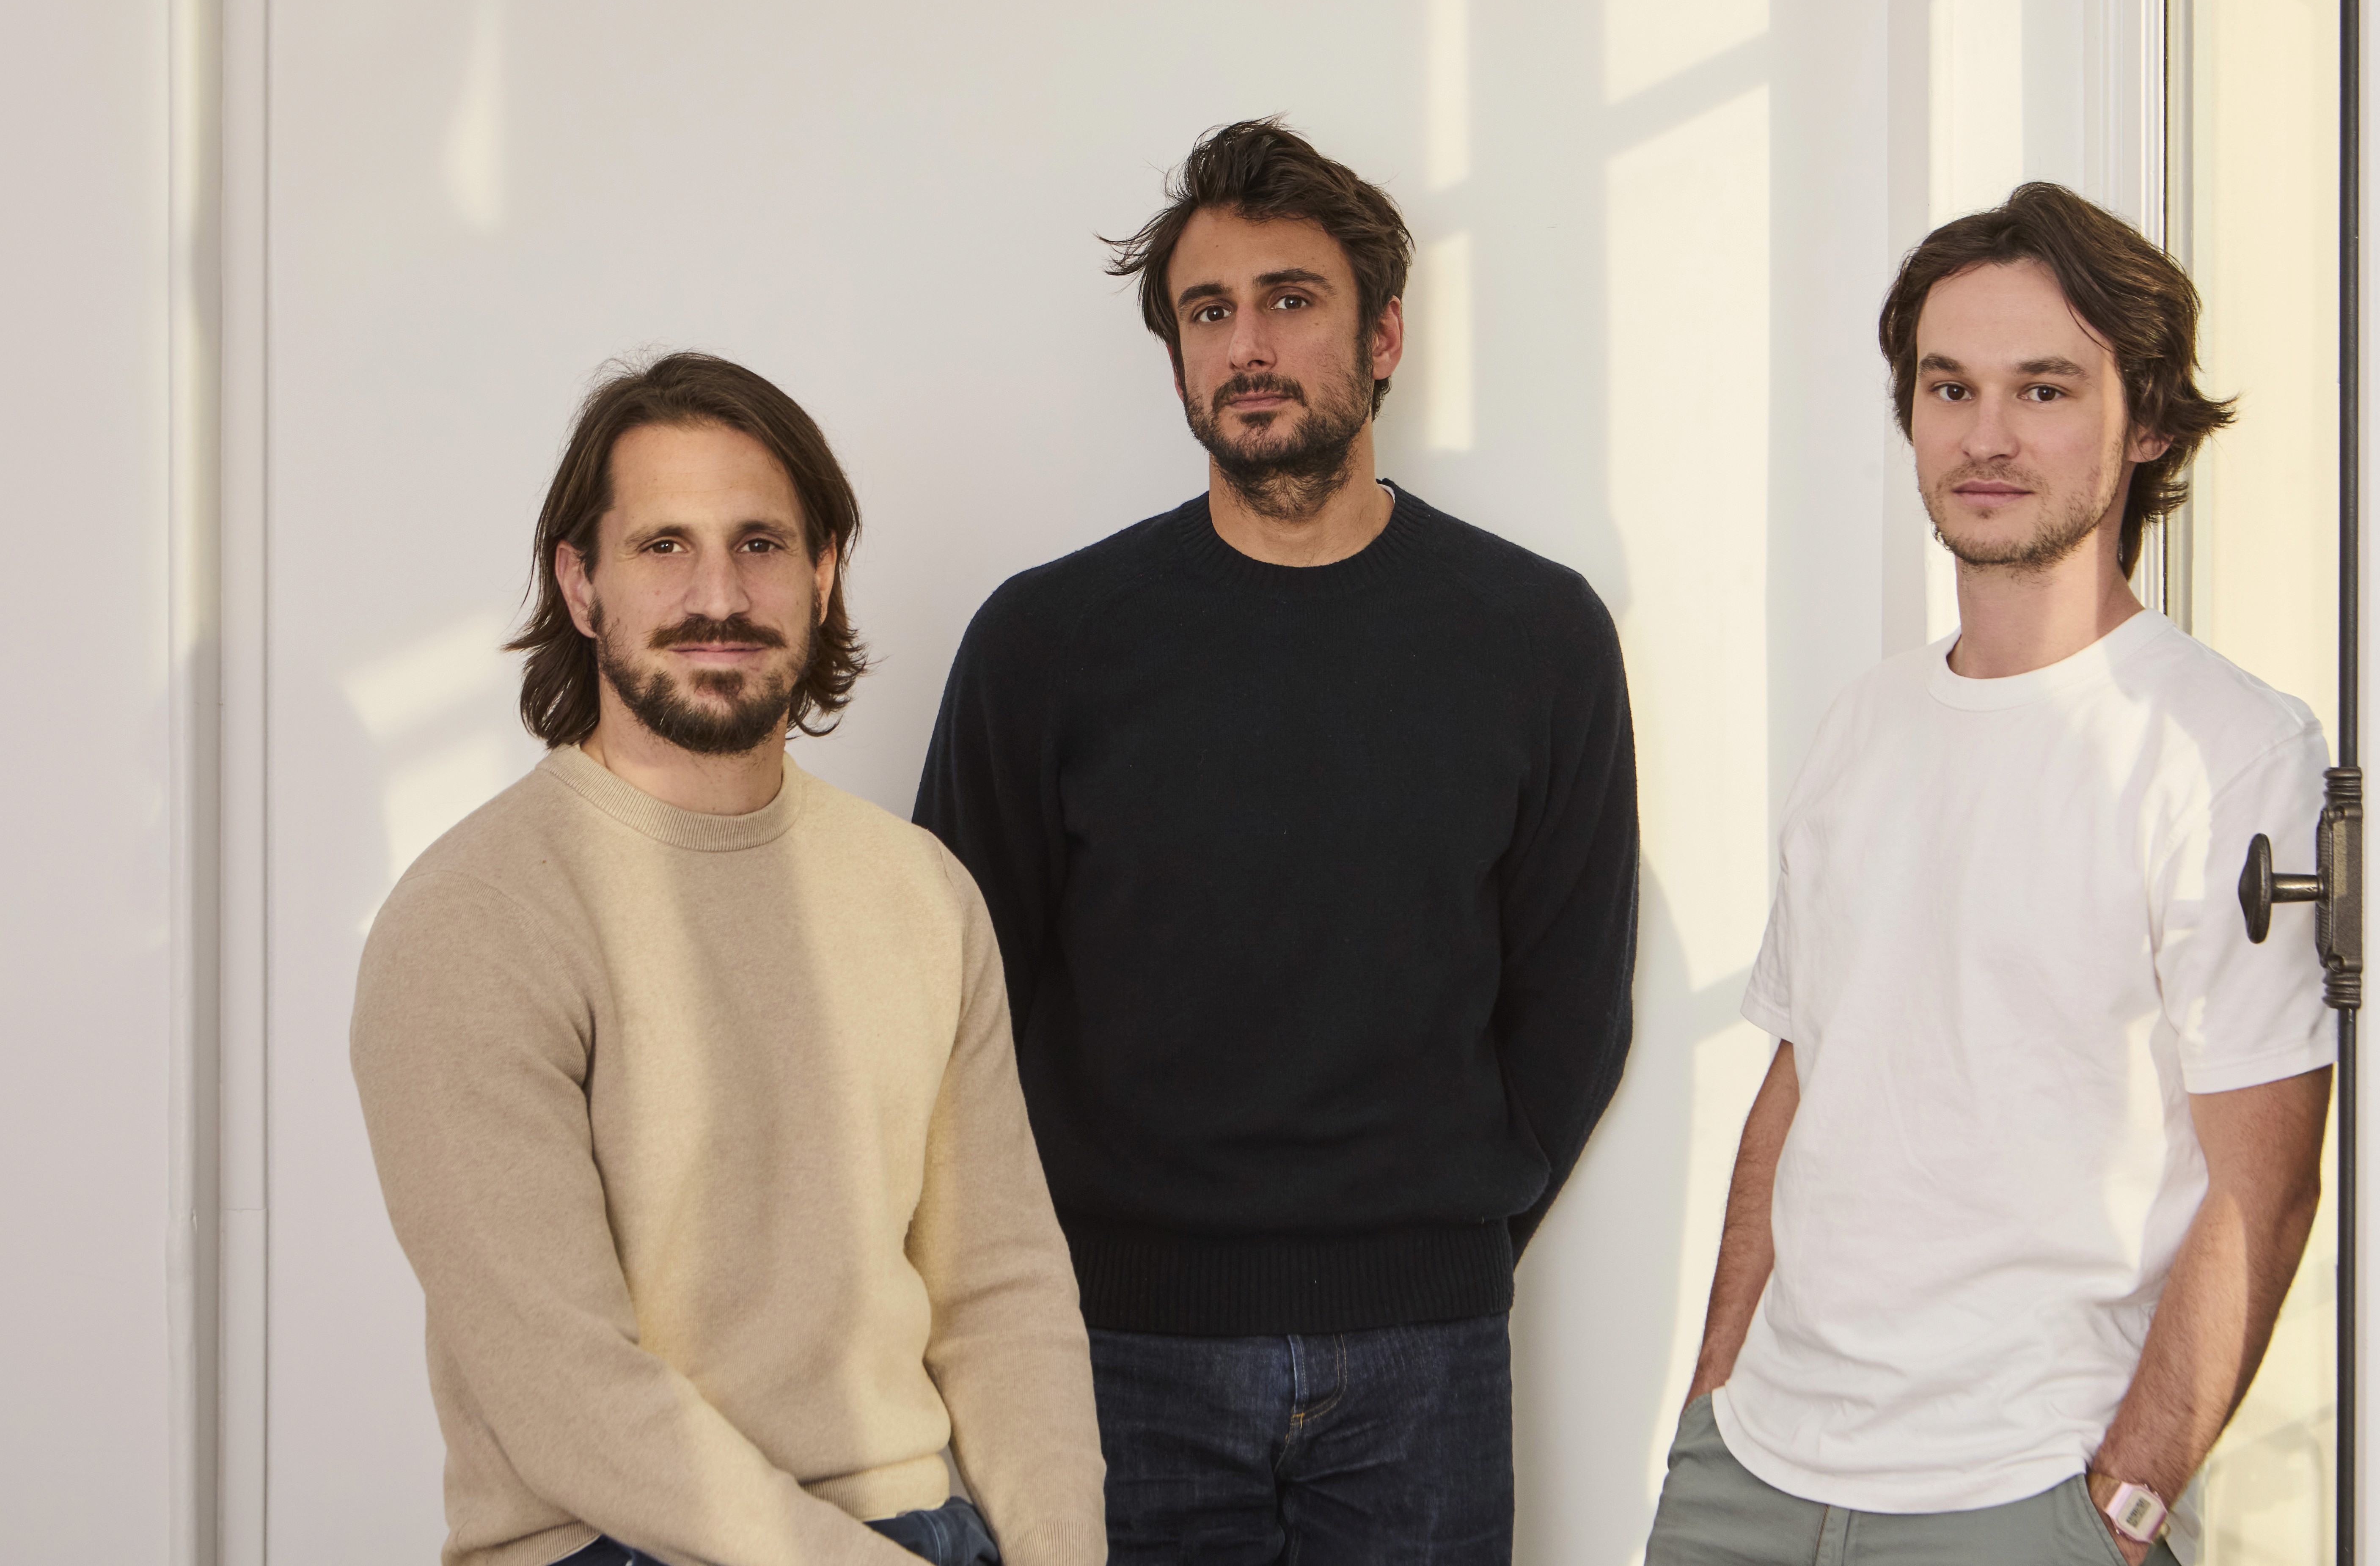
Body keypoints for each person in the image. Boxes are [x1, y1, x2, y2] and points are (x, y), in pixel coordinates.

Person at [913, 118, 1640, 1565]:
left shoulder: (1535, 636)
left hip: (1425, 1355)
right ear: (1179, 356)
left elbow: (1572, 1005)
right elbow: (953, 1007)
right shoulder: (1046, 644)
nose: (1247, 345)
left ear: (1384, 336)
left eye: (1291, 301)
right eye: (1209, 312)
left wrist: (1436, 1241)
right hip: (1115, 1354)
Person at [1647, 184, 2334, 1565]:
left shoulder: (2226, 750)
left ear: (2148, 422)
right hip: (1751, 1475)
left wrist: (2119, 1513)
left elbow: (2262, 1190)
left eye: (2045, 389)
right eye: (1950, 387)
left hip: (2024, 1493)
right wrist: (1712, 1395)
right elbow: (1800, 1080)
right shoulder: (1866, 723)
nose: (1987, 436)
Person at [351, 352, 1105, 1566]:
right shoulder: (472, 921)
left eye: (761, 544)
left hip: (918, 1526)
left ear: (822, 574)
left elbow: (999, 1290)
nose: (719, 595)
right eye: (664, 547)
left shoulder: (920, 892)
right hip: (613, 1540)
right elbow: (566, 1395)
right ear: (581, 584)